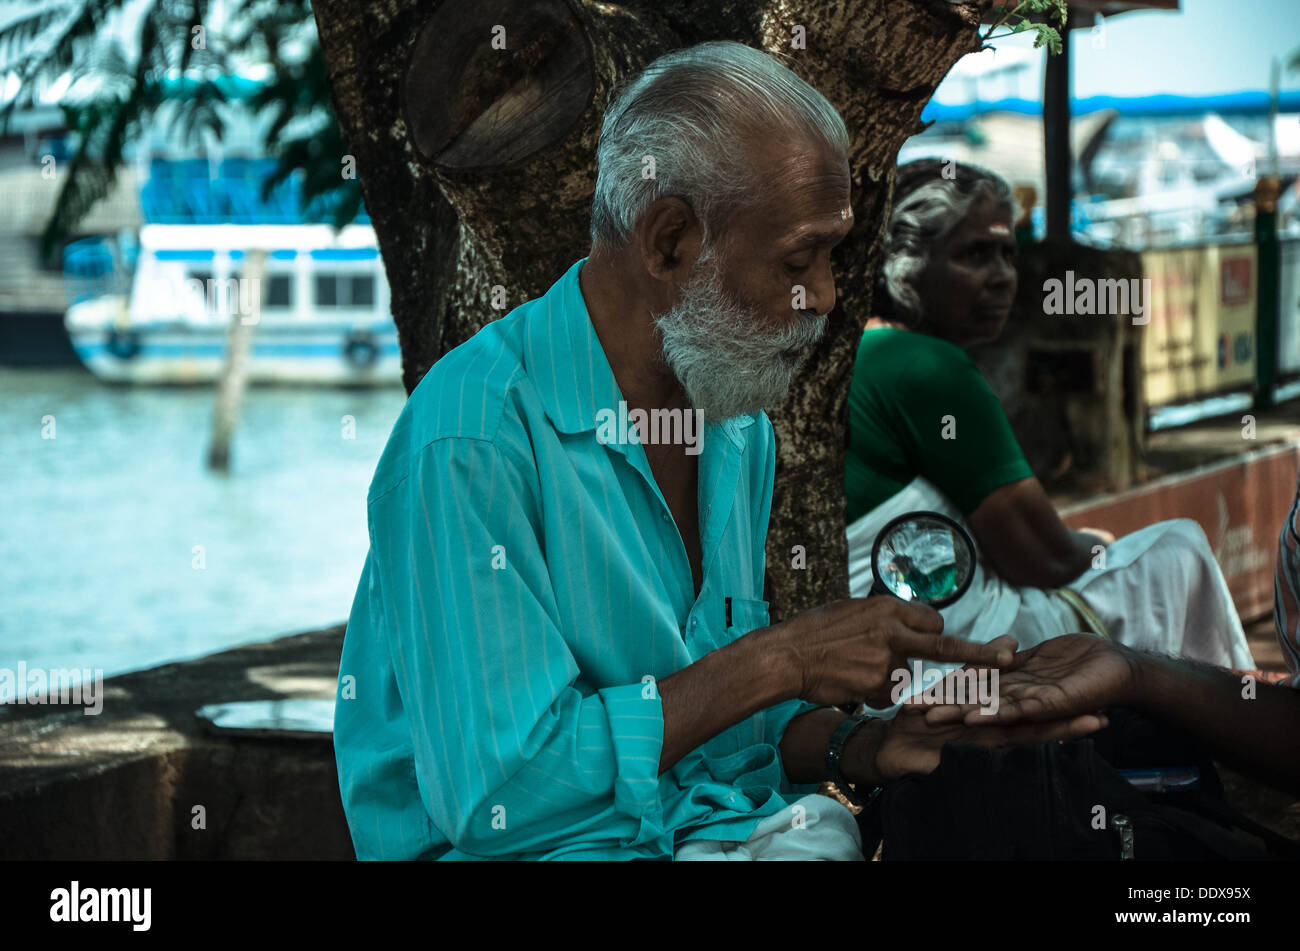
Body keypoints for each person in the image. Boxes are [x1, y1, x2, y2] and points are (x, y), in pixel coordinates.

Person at [332, 42, 1102, 861]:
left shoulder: (733, 423)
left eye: (834, 257)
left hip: (714, 832)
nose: (829, 296)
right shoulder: (473, 438)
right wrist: (782, 659)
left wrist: (865, 744)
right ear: (668, 243)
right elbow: (504, 799)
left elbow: (719, 733)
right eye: (799, 261)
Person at [843, 159, 1253, 708]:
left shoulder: (863, 354)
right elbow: (1046, 559)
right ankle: (1228, 721)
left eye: (1008, 255)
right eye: (974, 255)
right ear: (905, 263)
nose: (1002, 277)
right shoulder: (923, 366)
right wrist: (1101, 544)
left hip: (889, 658)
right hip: (957, 659)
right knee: (1178, 544)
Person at [925, 463, 1300, 798]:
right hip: (999, 631)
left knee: (1178, 540)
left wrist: (1138, 673)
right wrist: (1133, 670)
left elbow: (1044, 555)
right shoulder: (937, 386)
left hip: (975, 638)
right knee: (1180, 540)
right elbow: (1047, 556)